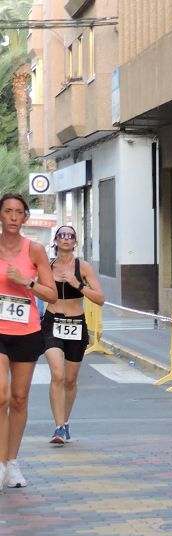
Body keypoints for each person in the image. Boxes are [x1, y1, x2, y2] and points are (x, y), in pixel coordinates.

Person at [0, 192, 57, 490]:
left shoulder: (34, 250)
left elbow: (52, 295)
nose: (12, 216)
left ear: (25, 218)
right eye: (7, 211)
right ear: (0, 215)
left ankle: (12, 463)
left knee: (20, 399)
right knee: (1, 395)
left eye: (17, 212)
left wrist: (27, 282)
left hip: (25, 331)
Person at [42, 224, 105, 445]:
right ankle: (58, 427)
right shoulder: (47, 266)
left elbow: (100, 298)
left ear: (75, 241)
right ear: (56, 241)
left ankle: (65, 422)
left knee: (70, 380)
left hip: (76, 324)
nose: (66, 238)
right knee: (57, 374)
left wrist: (77, 284)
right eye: (62, 235)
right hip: (52, 322)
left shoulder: (84, 267)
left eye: (70, 236)